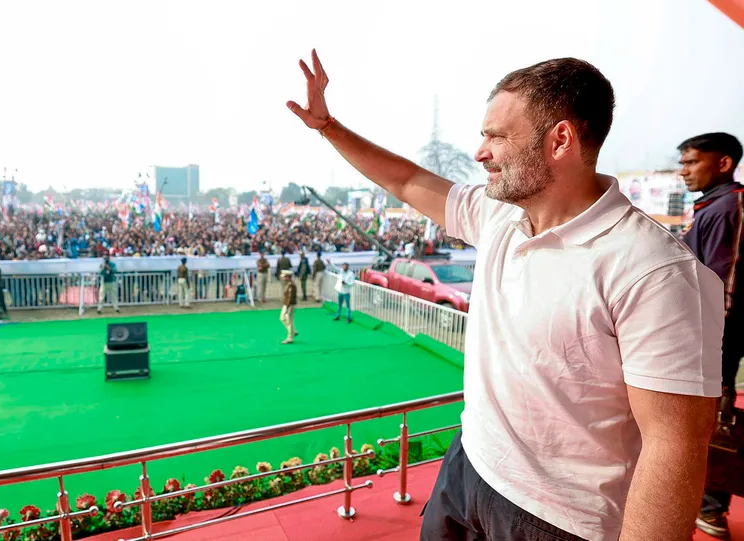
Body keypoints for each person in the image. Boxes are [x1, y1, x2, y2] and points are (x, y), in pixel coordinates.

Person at [288, 50, 723, 540]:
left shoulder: (655, 270)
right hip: (468, 465)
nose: (480, 153)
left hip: (557, 519)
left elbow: (674, 446)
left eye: (496, 136)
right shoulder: (498, 217)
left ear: (560, 139)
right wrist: (328, 126)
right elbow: (407, 180)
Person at [675, 132, 744, 538]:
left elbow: (725, 287)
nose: (683, 171)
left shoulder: (729, 207)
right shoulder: (711, 207)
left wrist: (705, 341)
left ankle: (712, 508)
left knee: (714, 416)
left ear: (722, 163)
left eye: (691, 162)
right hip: (708, 335)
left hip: (718, 337)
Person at [280, 269, 297, 344]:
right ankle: (292, 331)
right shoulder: (288, 284)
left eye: (285, 277)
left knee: (288, 320)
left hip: (289, 304)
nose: (283, 278)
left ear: (288, 277)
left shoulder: (291, 285)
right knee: (283, 318)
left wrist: (287, 307)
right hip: (287, 304)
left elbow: (290, 297)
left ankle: (290, 337)